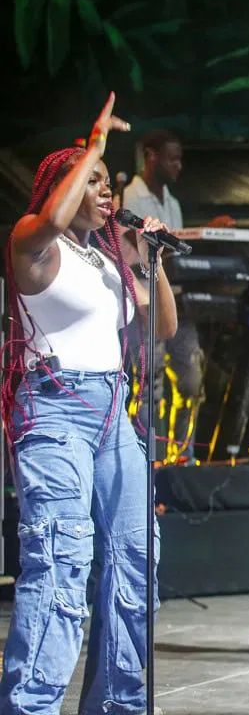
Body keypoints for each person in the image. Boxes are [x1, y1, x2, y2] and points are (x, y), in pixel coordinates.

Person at [0, 94, 178, 715]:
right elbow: (49, 219)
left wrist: (148, 259)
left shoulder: (104, 261)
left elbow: (164, 326)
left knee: (135, 557)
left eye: (108, 182)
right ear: (64, 184)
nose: (109, 191)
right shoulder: (32, 241)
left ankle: (118, 706)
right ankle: (31, 706)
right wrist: (94, 145)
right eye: (97, 181)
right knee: (62, 558)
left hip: (112, 414)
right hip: (54, 410)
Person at [121, 129, 233, 462]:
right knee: (148, 384)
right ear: (150, 156)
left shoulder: (172, 202)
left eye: (180, 158)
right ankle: (145, 459)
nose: (178, 165)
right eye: (172, 158)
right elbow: (137, 253)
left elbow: (173, 255)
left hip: (177, 302)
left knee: (190, 381)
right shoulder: (130, 198)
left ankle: (181, 458)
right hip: (145, 302)